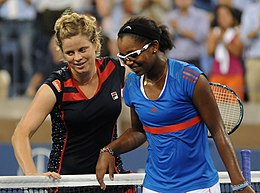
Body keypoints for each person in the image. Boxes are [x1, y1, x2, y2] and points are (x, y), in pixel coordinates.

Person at [96, 16, 255, 193]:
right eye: (123, 57)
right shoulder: (132, 84)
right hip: (154, 186)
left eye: (133, 55)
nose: (128, 62)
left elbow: (218, 130)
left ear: (154, 47)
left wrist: (239, 183)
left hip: (198, 186)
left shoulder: (189, 78)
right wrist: (109, 150)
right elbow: (139, 131)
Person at [12, 10, 130, 178]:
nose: (77, 57)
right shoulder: (55, 87)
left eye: (83, 49)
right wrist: (32, 175)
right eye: (70, 52)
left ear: (96, 44)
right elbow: (20, 134)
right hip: (65, 181)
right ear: (62, 53)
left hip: (110, 178)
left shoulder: (115, 70)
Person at [207, 4, 245, 100]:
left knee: (234, 106)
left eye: (226, 15)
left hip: (234, 75)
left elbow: (237, 52)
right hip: (216, 74)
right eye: (220, 15)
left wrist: (224, 41)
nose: (223, 18)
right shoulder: (214, 32)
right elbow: (210, 52)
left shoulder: (237, 32)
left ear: (232, 17)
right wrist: (215, 41)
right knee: (215, 105)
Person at [240, 0, 260, 103]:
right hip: (255, 60)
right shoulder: (251, 10)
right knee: (255, 100)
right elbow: (244, 39)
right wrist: (257, 29)